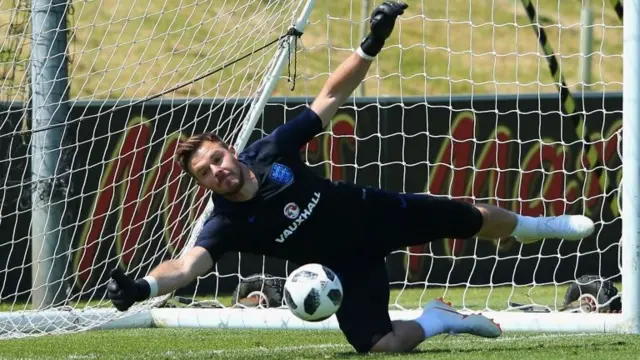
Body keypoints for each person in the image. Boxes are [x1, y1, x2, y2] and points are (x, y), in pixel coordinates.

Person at [107, 1, 594, 353]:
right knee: (381, 346)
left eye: (217, 158)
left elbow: (328, 98)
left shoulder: (270, 150)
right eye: (206, 173)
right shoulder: (226, 221)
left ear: (230, 151)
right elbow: (187, 266)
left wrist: (370, 45)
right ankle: (439, 319)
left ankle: (540, 227)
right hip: (343, 267)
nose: (217, 171)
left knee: (469, 217)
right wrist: (144, 289)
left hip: (373, 212)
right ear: (205, 185)